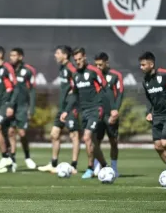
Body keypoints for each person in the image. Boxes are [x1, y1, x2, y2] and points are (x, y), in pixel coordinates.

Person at [65, 47, 110, 179]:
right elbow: (74, 94)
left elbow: (105, 88)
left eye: (79, 59)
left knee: (87, 137)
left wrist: (109, 108)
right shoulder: (75, 75)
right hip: (83, 111)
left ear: (84, 57)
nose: (78, 62)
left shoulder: (94, 71)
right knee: (93, 143)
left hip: (96, 109)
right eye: (75, 60)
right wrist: (66, 111)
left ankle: (90, 168)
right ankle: (105, 166)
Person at [139, 51, 166, 177]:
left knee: (165, 143)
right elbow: (149, 99)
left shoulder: (165, 74)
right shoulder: (145, 81)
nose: (141, 68)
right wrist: (148, 112)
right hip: (157, 115)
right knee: (158, 147)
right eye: (140, 65)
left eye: (143, 65)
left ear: (151, 64)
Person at [38, 46, 80, 174]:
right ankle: (53, 164)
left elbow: (77, 86)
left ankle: (74, 166)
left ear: (65, 55)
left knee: (74, 135)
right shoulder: (62, 68)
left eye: (57, 53)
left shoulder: (72, 69)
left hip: (71, 107)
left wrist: (73, 97)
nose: (55, 55)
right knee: (54, 134)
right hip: (62, 108)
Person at [94, 52, 124, 176]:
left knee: (113, 141)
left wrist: (115, 109)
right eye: (96, 65)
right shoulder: (94, 75)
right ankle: (97, 166)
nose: (98, 67)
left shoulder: (116, 75)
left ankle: (114, 167)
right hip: (98, 114)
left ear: (107, 63)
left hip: (111, 114)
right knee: (96, 141)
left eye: (100, 64)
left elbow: (120, 93)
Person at [7, 48, 37, 170]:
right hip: (10, 106)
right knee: (10, 132)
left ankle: (27, 157)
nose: (11, 58)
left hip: (23, 106)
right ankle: (12, 160)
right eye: (10, 55)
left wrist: (32, 108)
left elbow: (32, 90)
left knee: (22, 133)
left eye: (14, 55)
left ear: (20, 57)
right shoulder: (8, 69)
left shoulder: (29, 70)